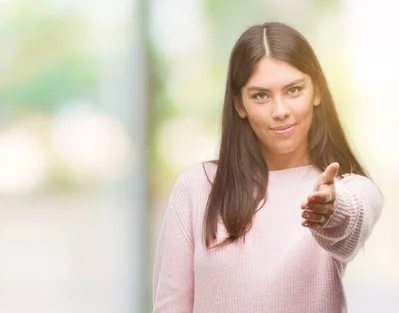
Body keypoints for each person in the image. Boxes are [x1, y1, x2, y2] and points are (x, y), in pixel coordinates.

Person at [152, 22, 383, 313]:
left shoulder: (350, 189)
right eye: (261, 95)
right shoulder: (196, 187)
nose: (280, 111)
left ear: (316, 93)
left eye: (294, 90)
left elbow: (349, 224)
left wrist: (331, 211)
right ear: (239, 104)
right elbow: (170, 306)